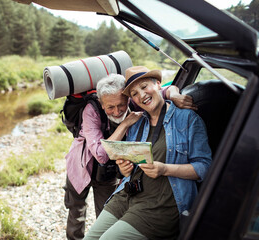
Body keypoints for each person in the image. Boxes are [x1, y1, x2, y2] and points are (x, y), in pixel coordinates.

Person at [83, 66, 212, 240]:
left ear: (158, 84)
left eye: (144, 87)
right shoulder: (136, 122)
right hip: (127, 195)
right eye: (135, 93)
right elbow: (125, 169)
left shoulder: (187, 118)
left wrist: (164, 169)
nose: (141, 95)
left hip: (161, 204)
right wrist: (125, 169)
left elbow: (204, 168)